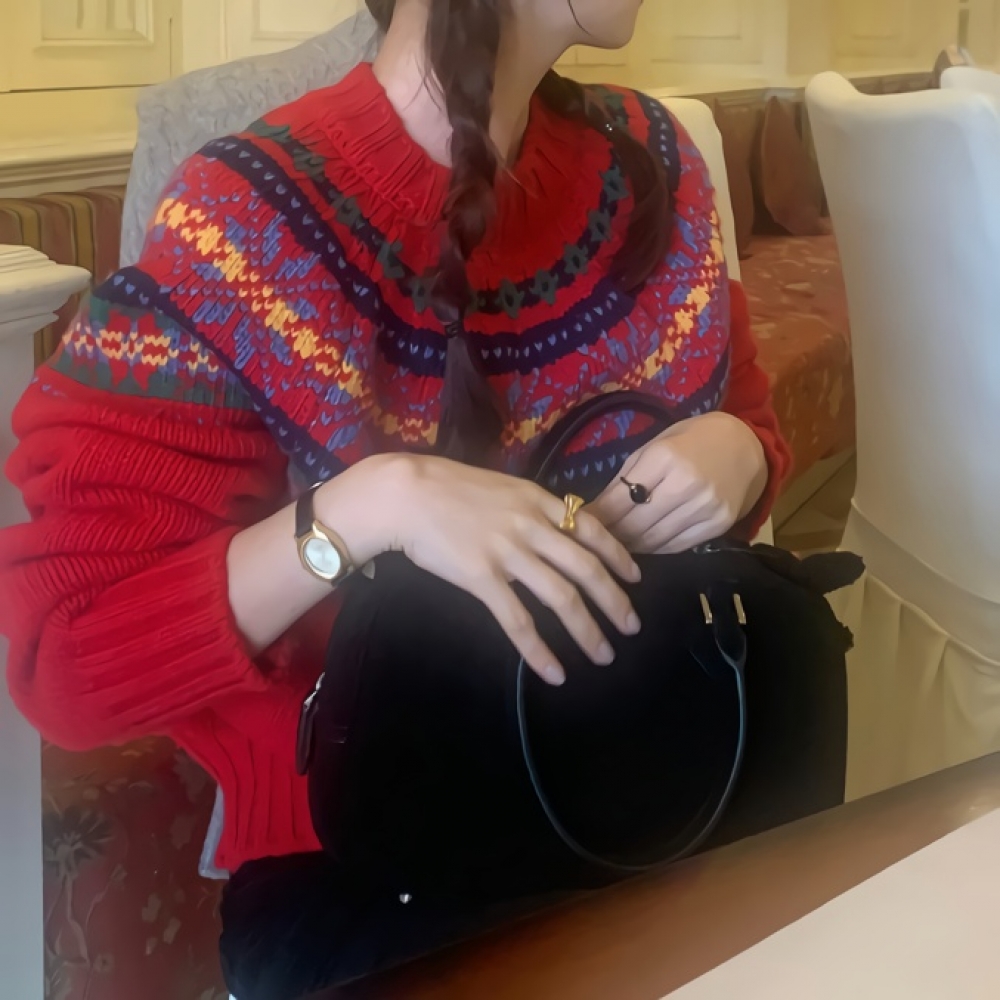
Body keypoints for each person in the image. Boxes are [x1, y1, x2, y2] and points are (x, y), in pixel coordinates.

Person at [0, 0, 792, 996]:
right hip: (371, 855)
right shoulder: (248, 218)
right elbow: (67, 653)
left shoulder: (655, 162)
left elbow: (747, 423)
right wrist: (369, 510)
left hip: (664, 781)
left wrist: (741, 452)